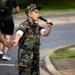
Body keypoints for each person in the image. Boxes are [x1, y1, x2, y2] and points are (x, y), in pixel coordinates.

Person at [13, 4, 52, 75]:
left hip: (35, 58)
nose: (38, 15)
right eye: (36, 12)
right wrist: (16, 41)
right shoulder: (24, 25)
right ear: (30, 14)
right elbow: (19, 33)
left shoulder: (37, 26)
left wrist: (49, 27)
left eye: (38, 13)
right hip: (25, 59)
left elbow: (45, 33)